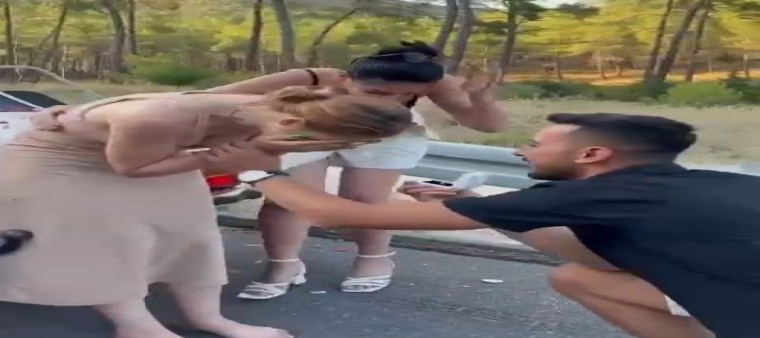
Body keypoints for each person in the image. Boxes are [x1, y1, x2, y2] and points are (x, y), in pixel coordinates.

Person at [238, 113, 760, 338]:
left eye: (534, 144)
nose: (520, 151)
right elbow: (592, 257)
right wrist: (480, 207)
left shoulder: (597, 194)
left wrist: (254, 169)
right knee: (578, 277)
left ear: (592, 154)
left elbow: (337, 215)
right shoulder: (699, 186)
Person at [0, 87, 413, 338]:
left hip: (166, 154)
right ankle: (137, 326)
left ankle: (208, 318)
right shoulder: (155, 118)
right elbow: (132, 168)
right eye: (313, 144)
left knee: (191, 234)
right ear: (290, 123)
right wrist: (222, 159)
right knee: (111, 242)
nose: (308, 152)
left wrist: (232, 156)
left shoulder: (285, 105)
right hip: (64, 163)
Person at [204, 40, 507, 298]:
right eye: (376, 93)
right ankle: (283, 264)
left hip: (388, 131)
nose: (390, 101)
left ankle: (374, 258)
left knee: (365, 199)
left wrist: (479, 97)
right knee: (288, 197)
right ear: (344, 79)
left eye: (403, 96)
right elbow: (212, 97)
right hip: (310, 127)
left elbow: (489, 126)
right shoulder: (312, 79)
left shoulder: (432, 80)